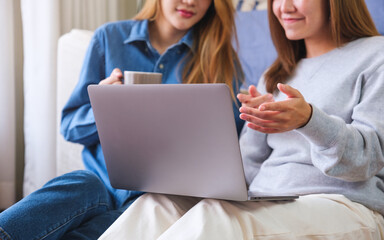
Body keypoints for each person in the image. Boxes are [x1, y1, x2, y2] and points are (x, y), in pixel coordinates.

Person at [98, 0, 384, 239]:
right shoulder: (276, 75)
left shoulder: (375, 55)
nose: (284, 7)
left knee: (215, 219)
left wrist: (308, 120)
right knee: (156, 205)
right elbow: (247, 166)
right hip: (269, 199)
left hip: (342, 203)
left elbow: (369, 158)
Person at [0, 0, 244, 239]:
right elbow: (70, 127)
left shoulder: (220, 59)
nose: (190, 2)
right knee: (79, 185)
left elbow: (227, 146)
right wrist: (104, 106)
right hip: (100, 181)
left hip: (156, 198)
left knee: (136, 219)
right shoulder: (109, 38)